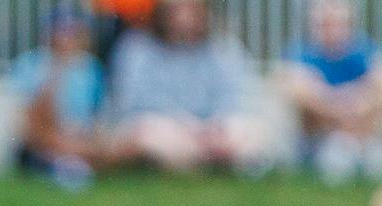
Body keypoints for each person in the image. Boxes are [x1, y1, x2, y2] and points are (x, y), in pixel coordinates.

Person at [101, 0, 267, 174]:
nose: (183, 18)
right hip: (164, 126)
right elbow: (135, 101)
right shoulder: (136, 47)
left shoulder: (222, 48)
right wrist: (185, 124)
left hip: (214, 129)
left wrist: (214, 126)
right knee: (151, 136)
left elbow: (235, 94)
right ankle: (213, 165)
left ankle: (208, 163)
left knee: (246, 129)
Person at [278, 0, 382, 184]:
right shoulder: (302, 53)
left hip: (360, 125)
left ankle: (359, 148)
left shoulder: (362, 51)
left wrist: (361, 99)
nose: (331, 30)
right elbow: (292, 84)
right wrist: (334, 104)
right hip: (321, 134)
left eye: (336, 24)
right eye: (325, 24)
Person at [9, 5, 106, 189]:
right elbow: (26, 122)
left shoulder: (90, 67)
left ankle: (72, 163)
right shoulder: (30, 64)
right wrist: (58, 69)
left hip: (78, 135)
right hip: (43, 139)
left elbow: (96, 116)